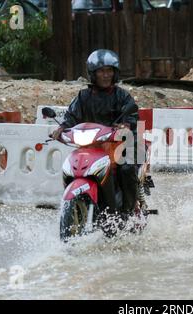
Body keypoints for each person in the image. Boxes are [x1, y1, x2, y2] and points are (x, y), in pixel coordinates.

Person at [52, 49, 140, 214]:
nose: (106, 75)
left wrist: (126, 126)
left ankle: (128, 209)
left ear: (115, 73)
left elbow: (132, 117)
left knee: (126, 168)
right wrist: (61, 128)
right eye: (101, 71)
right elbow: (71, 116)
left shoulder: (122, 96)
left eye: (109, 71)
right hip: (92, 146)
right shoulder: (83, 97)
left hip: (118, 145)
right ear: (93, 74)